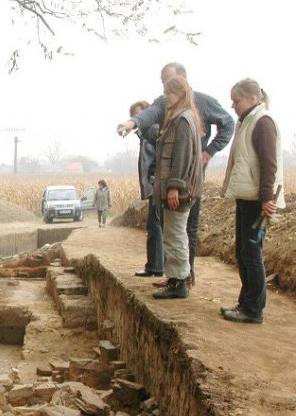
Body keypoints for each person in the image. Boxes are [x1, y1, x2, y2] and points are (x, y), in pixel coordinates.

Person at [117, 62, 234, 287]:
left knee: (184, 229)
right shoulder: (166, 105)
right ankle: (176, 275)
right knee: (171, 230)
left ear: (183, 81)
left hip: (185, 179)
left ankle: (184, 277)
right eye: (163, 86)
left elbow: (225, 125)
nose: (165, 91)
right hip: (173, 178)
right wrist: (132, 123)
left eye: (170, 85)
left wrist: (209, 151)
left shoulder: (193, 111)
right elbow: (148, 114)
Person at [219, 79, 285, 324]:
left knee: (251, 252)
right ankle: (245, 302)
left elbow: (269, 163)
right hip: (247, 197)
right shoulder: (247, 121)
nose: (233, 105)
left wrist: (267, 198)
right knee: (243, 251)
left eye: (237, 100)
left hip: (258, 200)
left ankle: (253, 309)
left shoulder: (262, 122)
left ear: (253, 99)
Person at [151, 76, 203, 300]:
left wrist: (174, 186)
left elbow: (181, 156)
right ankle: (176, 278)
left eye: (170, 92)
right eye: (164, 91)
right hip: (179, 188)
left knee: (175, 235)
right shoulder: (183, 118)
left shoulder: (182, 120)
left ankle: (179, 282)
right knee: (174, 234)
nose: (166, 96)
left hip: (178, 191)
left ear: (181, 94)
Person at [129, 100, 163, 278]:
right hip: (154, 186)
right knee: (154, 225)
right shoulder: (146, 134)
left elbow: (159, 159)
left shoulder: (153, 131)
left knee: (155, 225)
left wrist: (153, 177)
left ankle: (156, 267)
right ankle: (154, 265)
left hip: (156, 186)